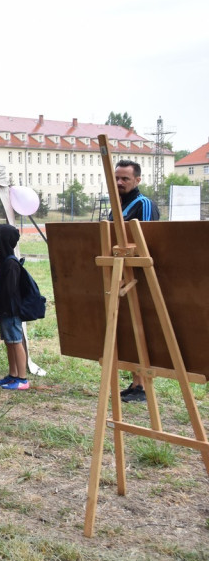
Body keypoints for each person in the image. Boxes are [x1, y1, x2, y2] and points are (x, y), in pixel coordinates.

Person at [115, 159, 160, 403]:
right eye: (117, 178)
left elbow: (145, 240)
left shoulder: (142, 204)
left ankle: (142, 385)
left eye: (125, 179)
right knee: (130, 329)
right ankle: (135, 381)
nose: (120, 182)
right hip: (121, 274)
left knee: (142, 327)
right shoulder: (117, 204)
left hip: (139, 276)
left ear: (137, 180)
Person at [0, 224, 29, 390]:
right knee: (9, 342)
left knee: (16, 342)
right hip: (5, 311)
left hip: (11, 312)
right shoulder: (4, 262)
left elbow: (10, 291)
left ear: (2, 241)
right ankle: (13, 374)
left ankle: (23, 378)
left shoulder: (11, 264)